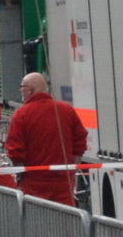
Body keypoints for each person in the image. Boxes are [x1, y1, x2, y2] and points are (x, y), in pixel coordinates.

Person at [5, 72, 87, 207]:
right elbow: (80, 142)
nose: (21, 92)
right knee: (64, 221)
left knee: (36, 223)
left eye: (22, 88)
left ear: (29, 89)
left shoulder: (21, 115)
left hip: (34, 184)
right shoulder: (66, 110)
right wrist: (71, 169)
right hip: (63, 183)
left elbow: (15, 151)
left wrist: (20, 176)